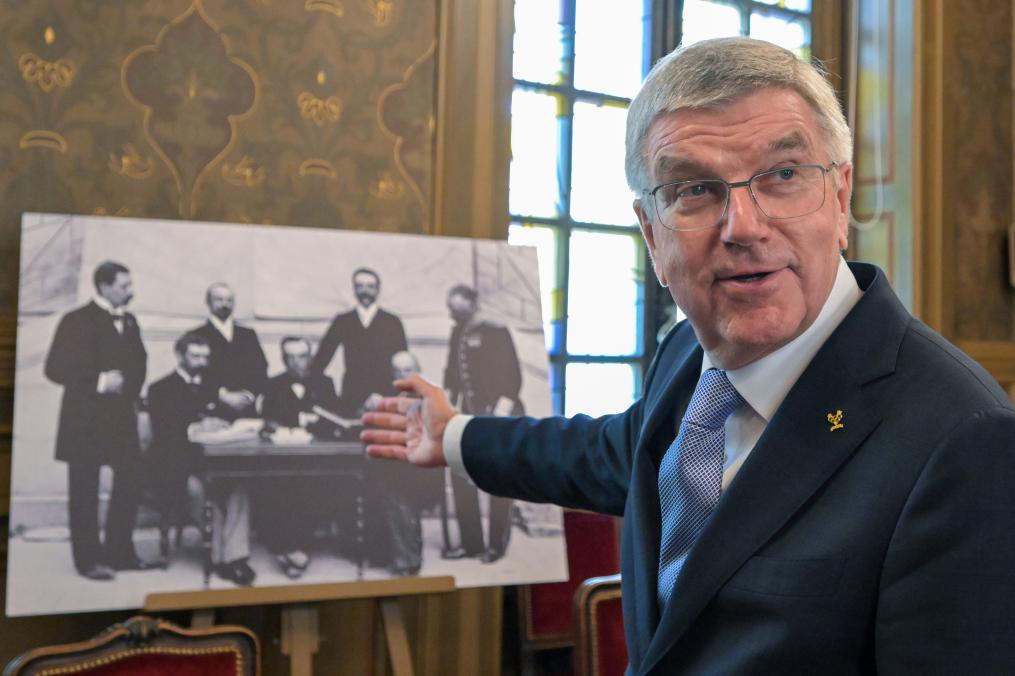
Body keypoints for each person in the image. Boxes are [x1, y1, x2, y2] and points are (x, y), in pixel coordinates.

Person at [362, 37, 1015, 673]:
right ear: (651, 234)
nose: (744, 226)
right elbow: (611, 455)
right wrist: (452, 435)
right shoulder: (687, 350)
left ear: (840, 200)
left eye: (783, 175)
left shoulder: (962, 438)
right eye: (694, 190)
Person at [44, 260, 155, 580]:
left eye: (130, 285)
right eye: (124, 286)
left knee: (131, 480)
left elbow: (140, 362)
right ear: (104, 286)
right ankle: (88, 560)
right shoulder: (75, 320)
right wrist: (100, 382)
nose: (131, 291)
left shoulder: (130, 321)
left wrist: (130, 389)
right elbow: (54, 368)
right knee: (84, 490)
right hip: (84, 421)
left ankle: (119, 552)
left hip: (120, 419)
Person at [147, 333, 256, 586]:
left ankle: (236, 557)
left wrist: (225, 424)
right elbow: (163, 434)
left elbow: (225, 418)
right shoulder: (160, 389)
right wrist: (195, 427)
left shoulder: (212, 387)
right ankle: (220, 560)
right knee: (203, 494)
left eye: (205, 357)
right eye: (195, 357)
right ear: (179, 355)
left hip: (213, 463)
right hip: (175, 466)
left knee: (240, 488)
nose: (202, 363)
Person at [440, 285, 522, 563]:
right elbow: (451, 373)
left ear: (472, 303)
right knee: (461, 476)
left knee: (498, 482)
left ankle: (496, 545)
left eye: (456, 308)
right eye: (451, 309)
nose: (451, 314)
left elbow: (513, 376)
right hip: (467, 416)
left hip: (497, 417)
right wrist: (448, 405)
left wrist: (499, 414)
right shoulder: (457, 332)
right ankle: (471, 544)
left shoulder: (496, 330)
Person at [259, 336, 343, 578]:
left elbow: (334, 420)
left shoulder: (324, 383)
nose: (297, 363)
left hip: (317, 458)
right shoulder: (273, 384)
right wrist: (291, 423)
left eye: (302, 356)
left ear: (311, 358)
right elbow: (269, 419)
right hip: (282, 457)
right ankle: (290, 548)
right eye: (290, 357)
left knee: (310, 486)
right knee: (280, 486)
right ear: (283, 360)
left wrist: (310, 423)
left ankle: (297, 549)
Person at [311, 267, 408, 416]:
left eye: (370, 286)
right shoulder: (342, 321)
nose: (365, 291)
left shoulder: (393, 322)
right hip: (352, 396)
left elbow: (402, 365)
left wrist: (385, 395)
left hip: (386, 395)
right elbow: (321, 359)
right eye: (360, 286)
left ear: (378, 290)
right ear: (354, 289)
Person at [190, 282, 267, 420]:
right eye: (219, 300)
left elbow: (261, 367)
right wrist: (221, 395)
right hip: (212, 410)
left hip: (247, 409)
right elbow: (193, 373)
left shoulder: (248, 335)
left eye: (229, 300)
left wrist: (249, 395)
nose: (224, 304)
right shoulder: (196, 335)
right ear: (208, 302)